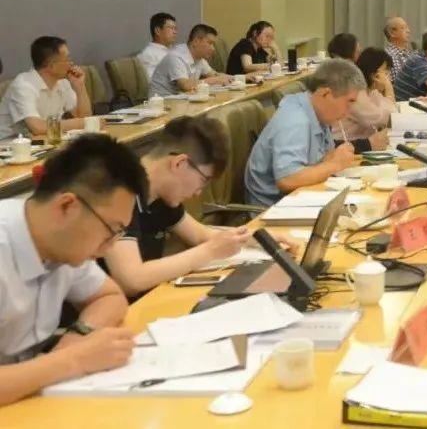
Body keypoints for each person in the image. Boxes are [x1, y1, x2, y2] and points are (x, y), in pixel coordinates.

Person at [0, 134, 148, 406]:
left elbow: (110, 297)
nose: (109, 247)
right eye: (111, 230)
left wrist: (78, 338)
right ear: (67, 206)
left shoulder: (61, 244)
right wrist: (74, 359)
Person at [101, 116, 251, 299]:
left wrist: (262, 238)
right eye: (203, 181)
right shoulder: (118, 190)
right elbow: (132, 279)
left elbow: (200, 235)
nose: (198, 193)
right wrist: (210, 251)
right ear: (179, 163)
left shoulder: (162, 194)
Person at [245, 59, 363, 206]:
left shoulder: (320, 114)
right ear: (326, 94)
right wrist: (334, 164)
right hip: (273, 208)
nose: (349, 110)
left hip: (302, 198)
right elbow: (287, 179)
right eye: (350, 101)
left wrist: (332, 158)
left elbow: (317, 162)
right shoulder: (295, 120)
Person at [0, 36, 93, 140]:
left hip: (40, 140)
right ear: (51, 65)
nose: (71, 64)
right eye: (67, 59)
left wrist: (80, 87)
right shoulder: (24, 85)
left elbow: (84, 116)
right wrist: (79, 123)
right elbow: (37, 127)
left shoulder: (62, 82)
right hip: (7, 142)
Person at [332, 48, 394, 153]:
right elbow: (386, 119)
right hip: (348, 147)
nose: (388, 76)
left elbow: (392, 114)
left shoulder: (371, 91)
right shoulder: (356, 94)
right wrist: (389, 87)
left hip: (363, 144)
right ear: (373, 74)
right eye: (385, 71)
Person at [148, 24, 231, 97]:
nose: (213, 48)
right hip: (162, 102)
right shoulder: (176, 56)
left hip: (180, 100)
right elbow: (186, 85)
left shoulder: (200, 58)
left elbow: (214, 74)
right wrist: (215, 80)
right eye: (210, 43)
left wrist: (235, 78)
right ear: (196, 41)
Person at [137, 12, 178, 79]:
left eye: (175, 28)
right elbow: (153, 83)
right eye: (171, 28)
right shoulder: (148, 55)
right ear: (157, 31)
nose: (175, 32)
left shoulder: (173, 50)